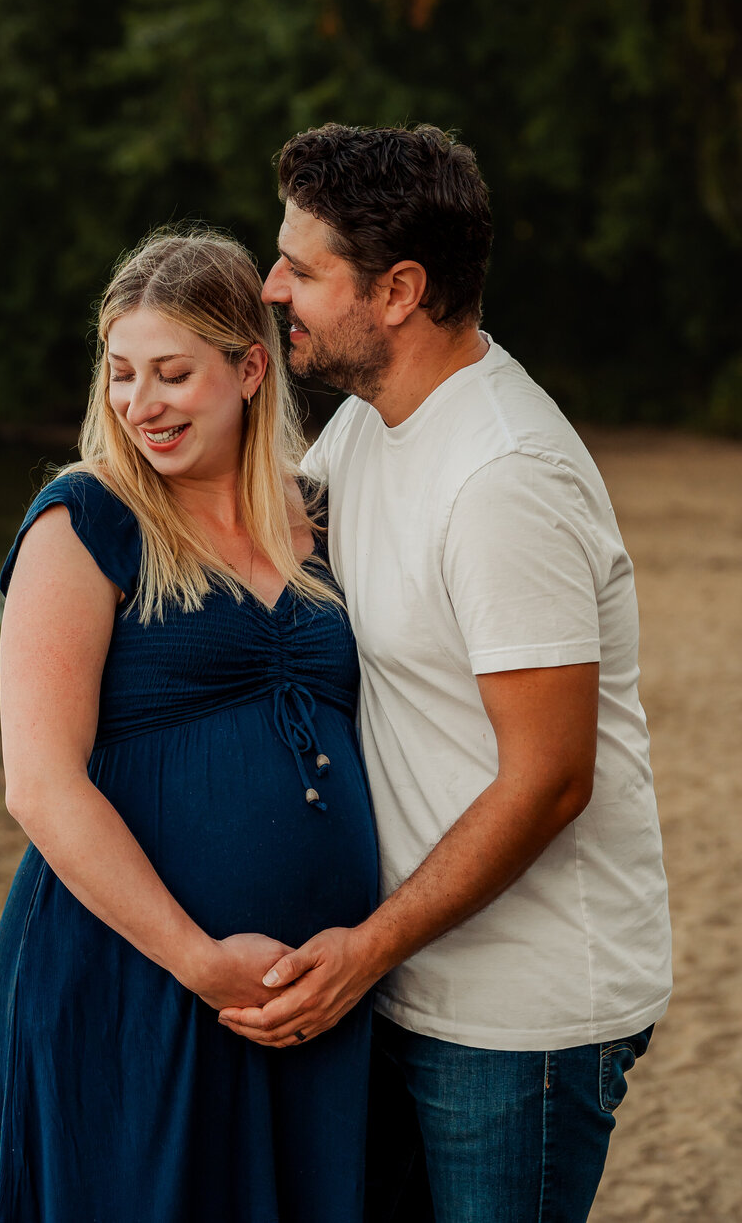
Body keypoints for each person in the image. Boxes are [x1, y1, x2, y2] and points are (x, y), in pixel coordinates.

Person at [221, 122, 672, 1223]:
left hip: (521, 1012)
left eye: (304, 267)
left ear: (399, 290)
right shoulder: (375, 426)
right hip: (410, 978)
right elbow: (256, 534)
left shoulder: (503, 478)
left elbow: (550, 777)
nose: (274, 286)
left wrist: (361, 948)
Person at [0, 230, 389, 1223]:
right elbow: (39, 782)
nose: (140, 402)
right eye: (122, 374)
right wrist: (192, 954)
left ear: (250, 367)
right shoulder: (84, 521)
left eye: (172, 373)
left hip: (317, 986)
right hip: (132, 968)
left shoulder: (327, 522)